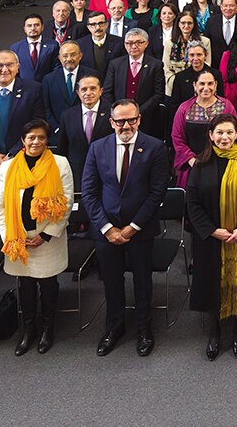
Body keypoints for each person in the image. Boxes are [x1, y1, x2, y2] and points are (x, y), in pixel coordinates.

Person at [82, 99, 169, 357]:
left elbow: (157, 193)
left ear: (139, 119)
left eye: (131, 119)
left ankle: (144, 328)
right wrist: (108, 228)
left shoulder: (155, 147)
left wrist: (132, 227)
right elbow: (88, 192)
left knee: (143, 280)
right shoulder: (98, 148)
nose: (126, 125)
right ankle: (114, 327)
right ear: (111, 123)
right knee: (111, 281)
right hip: (105, 230)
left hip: (141, 229)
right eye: (120, 121)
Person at [186, 114, 237, 359]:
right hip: (212, 237)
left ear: (236, 135)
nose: (225, 137)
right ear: (211, 136)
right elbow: (192, 202)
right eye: (220, 133)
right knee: (214, 280)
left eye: (229, 132)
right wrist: (212, 230)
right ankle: (214, 330)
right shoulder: (200, 164)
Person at [0, 119, 73, 356]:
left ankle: (48, 329)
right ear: (23, 140)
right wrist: (10, 237)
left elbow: (67, 202)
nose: (36, 141)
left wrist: (46, 235)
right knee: (25, 285)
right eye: (31, 137)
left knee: (48, 284)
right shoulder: (8, 168)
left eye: (41, 137)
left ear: (47, 140)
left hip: (47, 238)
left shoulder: (60, 164)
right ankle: (28, 330)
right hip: (18, 240)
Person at [171, 69, 237, 189]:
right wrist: (191, 160)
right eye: (202, 84)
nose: (206, 88)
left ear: (216, 85)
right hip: (192, 166)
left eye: (210, 83)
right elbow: (177, 138)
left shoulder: (227, 107)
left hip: (221, 164)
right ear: (195, 85)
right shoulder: (184, 109)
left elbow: (234, 135)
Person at [102, 28, 166, 138]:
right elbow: (107, 92)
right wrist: (118, 112)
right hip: (119, 120)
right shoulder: (115, 64)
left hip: (146, 119)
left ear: (146, 44)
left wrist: (137, 113)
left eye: (138, 42)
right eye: (129, 43)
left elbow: (158, 94)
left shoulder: (156, 65)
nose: (133, 46)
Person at [55, 74, 113, 188]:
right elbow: (62, 149)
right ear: (78, 93)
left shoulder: (113, 113)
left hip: (107, 173)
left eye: (93, 88)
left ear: (101, 91)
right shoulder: (67, 116)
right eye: (84, 89)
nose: (88, 93)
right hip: (77, 174)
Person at [41, 41, 97, 132]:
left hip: (87, 130)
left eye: (73, 55)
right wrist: (57, 128)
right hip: (58, 132)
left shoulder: (92, 75)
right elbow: (46, 108)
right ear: (59, 58)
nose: (69, 59)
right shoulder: (49, 79)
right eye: (65, 56)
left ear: (80, 56)